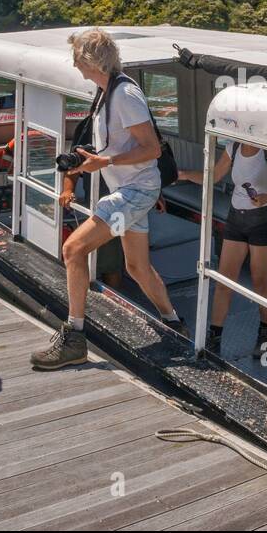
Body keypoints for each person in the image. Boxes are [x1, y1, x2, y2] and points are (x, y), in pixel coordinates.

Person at [31, 29, 184, 371]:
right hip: (133, 192)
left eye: (76, 58)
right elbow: (120, 147)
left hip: (135, 192)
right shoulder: (105, 93)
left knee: (73, 250)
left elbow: (152, 148)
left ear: (89, 60)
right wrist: (92, 160)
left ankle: (74, 338)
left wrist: (107, 162)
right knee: (136, 267)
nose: (74, 64)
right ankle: (173, 322)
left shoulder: (125, 94)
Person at [177, 142, 267, 357]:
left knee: (260, 283)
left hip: (263, 221)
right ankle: (215, 336)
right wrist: (183, 175)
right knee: (224, 281)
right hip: (236, 220)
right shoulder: (233, 146)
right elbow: (213, 177)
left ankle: (265, 333)